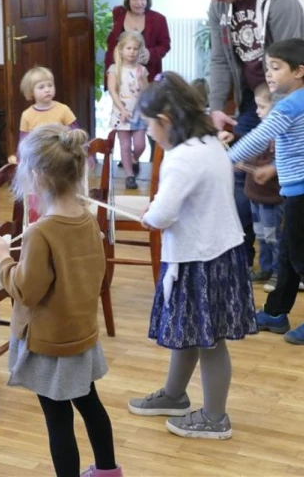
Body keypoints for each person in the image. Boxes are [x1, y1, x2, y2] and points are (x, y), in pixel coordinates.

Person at [0, 125, 122, 477]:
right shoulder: (87, 220)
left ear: (36, 176)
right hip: (81, 335)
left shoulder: (41, 232)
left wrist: (2, 258)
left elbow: (25, 291)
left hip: (50, 344)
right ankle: (108, 471)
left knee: (58, 420)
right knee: (90, 403)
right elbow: (95, 276)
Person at [128, 72, 257, 440]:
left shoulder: (182, 157)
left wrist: (150, 216)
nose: (149, 132)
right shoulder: (208, 140)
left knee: (208, 341)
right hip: (215, 252)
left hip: (202, 259)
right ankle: (174, 395)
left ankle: (216, 418)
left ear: (165, 120)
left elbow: (162, 214)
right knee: (190, 331)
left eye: (149, 124)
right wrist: (157, 211)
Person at [192, 0, 304, 274]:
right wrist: (215, 107)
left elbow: (292, 65)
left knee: (281, 187)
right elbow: (217, 59)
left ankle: (284, 265)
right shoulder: (219, 6)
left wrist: (279, 121)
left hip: (284, 104)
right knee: (241, 179)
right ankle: (243, 259)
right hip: (250, 101)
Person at [227, 39, 304, 345]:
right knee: (288, 254)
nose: (268, 74)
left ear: (299, 71)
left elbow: (259, 137)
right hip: (295, 190)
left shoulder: (289, 106)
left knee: (299, 256)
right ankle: (275, 313)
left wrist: (224, 159)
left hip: (300, 192)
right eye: (267, 68)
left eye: (276, 67)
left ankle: (276, 312)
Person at [220, 82, 284, 290]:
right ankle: (266, 268)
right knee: (262, 235)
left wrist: (246, 165)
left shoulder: (279, 137)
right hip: (254, 195)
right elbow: (250, 145)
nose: (257, 111)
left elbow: (270, 165)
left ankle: (278, 272)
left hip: (270, 197)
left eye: (262, 107)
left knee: (274, 237)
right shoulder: (259, 130)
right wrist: (234, 138)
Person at [17, 65, 79, 222]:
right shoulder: (27, 115)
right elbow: (23, 142)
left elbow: (75, 134)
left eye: (50, 85)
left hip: (60, 162)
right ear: (31, 92)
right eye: (41, 87)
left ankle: (60, 219)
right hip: (38, 164)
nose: (47, 90)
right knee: (36, 196)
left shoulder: (63, 110)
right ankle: (37, 223)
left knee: (60, 194)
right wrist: (21, 161)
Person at [104, 0, 171, 82]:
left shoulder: (159, 19)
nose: (138, 3)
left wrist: (150, 54)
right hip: (119, 71)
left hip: (147, 73)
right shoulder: (117, 13)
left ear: (147, 0)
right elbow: (110, 42)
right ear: (128, 0)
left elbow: (165, 45)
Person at [107, 31, 149, 189]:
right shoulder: (114, 69)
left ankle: (133, 158)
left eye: (135, 48)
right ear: (121, 50)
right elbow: (112, 91)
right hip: (121, 113)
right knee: (124, 145)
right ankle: (129, 176)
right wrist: (122, 109)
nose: (132, 51)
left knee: (140, 145)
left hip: (138, 114)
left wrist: (140, 79)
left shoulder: (142, 70)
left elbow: (147, 91)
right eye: (128, 48)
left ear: (139, 51)